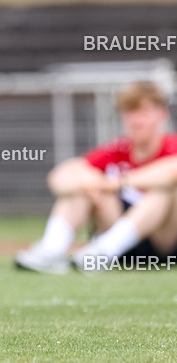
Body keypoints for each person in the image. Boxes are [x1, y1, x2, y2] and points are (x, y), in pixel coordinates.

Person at [16, 81, 177, 273]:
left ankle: (103, 252)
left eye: (144, 112)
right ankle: (51, 251)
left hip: (163, 242)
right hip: (121, 243)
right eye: (130, 112)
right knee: (84, 185)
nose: (137, 120)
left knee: (165, 189)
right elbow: (59, 177)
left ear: (162, 114)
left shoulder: (172, 146)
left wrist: (116, 182)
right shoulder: (116, 150)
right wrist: (89, 183)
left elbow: (171, 172)